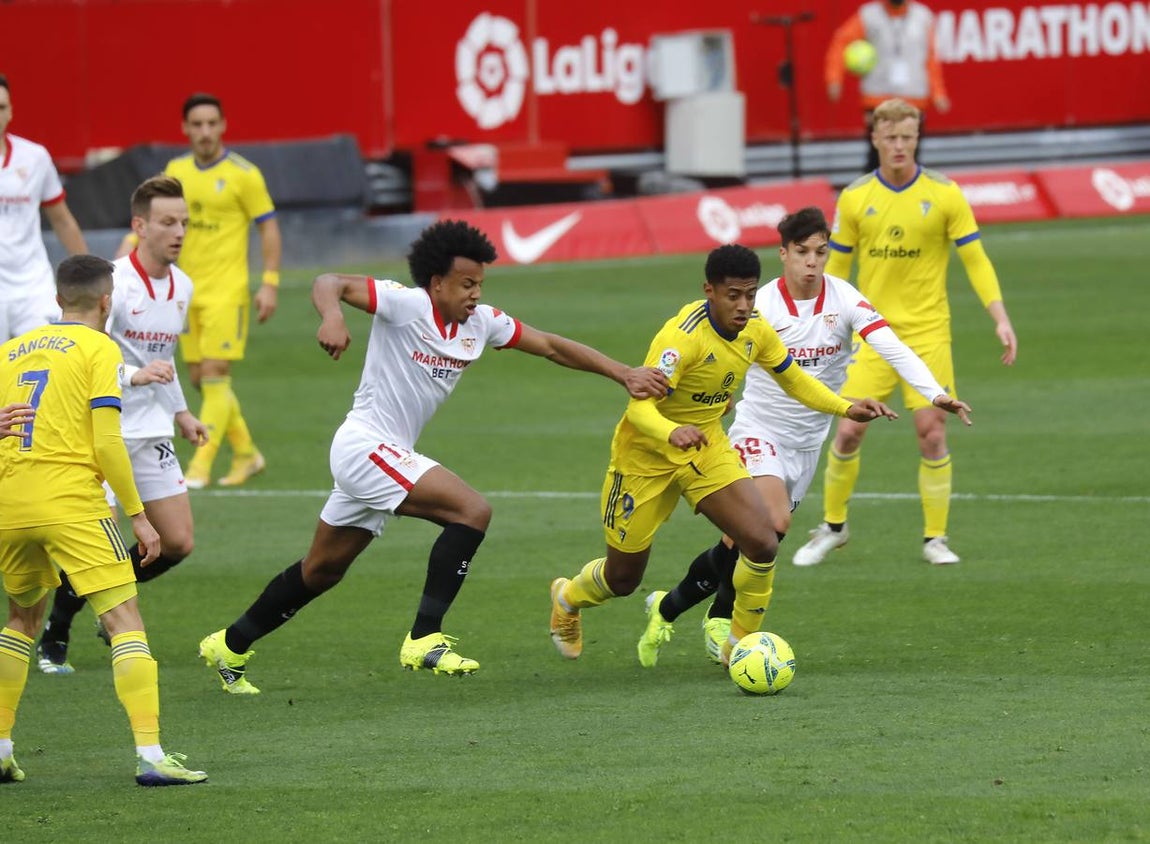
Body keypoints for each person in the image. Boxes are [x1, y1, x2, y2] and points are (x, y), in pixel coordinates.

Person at [197, 219, 668, 694]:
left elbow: (550, 346)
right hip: (365, 445)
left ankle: (229, 644)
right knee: (472, 510)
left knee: (321, 570)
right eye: (467, 284)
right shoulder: (404, 305)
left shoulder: (481, 323)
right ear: (437, 282)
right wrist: (333, 317)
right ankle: (424, 637)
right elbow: (329, 283)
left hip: (387, 453)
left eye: (480, 284)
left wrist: (623, 372)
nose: (475, 294)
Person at [636, 207, 972, 667]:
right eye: (802, 252)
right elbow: (721, 353)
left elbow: (890, 345)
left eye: (821, 251)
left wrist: (935, 394)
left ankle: (669, 607)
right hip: (759, 431)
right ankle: (735, 640)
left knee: (744, 542)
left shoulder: (846, 299)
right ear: (784, 254)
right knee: (773, 525)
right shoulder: (762, 305)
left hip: (808, 443)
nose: (813, 262)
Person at [548, 243, 898, 668]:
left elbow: (795, 380)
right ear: (709, 290)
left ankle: (741, 647)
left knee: (762, 541)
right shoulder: (681, 339)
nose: (744, 305)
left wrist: (846, 406)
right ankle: (567, 597)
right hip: (644, 458)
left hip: (704, 448)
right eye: (733, 295)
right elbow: (639, 408)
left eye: (750, 294)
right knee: (623, 579)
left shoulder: (755, 329)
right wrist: (672, 430)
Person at [0, 254, 206, 786]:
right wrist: (138, 517)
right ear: (108, 302)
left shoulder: (11, 351)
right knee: (123, 619)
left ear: (56, 299)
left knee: (21, 618)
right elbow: (108, 439)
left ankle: (1, 748)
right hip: (73, 503)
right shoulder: (100, 347)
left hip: (12, 503)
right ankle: (152, 754)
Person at [793, 98, 1017, 569]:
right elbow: (836, 267)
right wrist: (817, 321)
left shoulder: (945, 194)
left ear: (918, 138)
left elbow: (975, 258)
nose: (899, 146)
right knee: (850, 429)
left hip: (928, 331)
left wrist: (999, 316)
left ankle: (935, 538)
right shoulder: (855, 198)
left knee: (931, 431)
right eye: (890, 137)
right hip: (871, 332)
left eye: (908, 137)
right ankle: (833, 527)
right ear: (875, 139)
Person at [36, 175, 208, 675]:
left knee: (177, 542)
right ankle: (56, 632)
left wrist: (180, 411)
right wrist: (134, 376)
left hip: (152, 428)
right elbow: (77, 354)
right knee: (97, 546)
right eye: (168, 222)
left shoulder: (184, 285)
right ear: (140, 226)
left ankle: (101, 605)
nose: (178, 232)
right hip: (101, 427)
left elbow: (163, 357)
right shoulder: (111, 283)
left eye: (184, 223)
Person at [117, 92, 281, 489]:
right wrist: (129, 245)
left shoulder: (244, 174)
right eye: (197, 124)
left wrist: (270, 283)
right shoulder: (176, 171)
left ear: (223, 125)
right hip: (181, 292)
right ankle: (246, 454)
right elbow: (155, 218)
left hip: (227, 290)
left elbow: (268, 227)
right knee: (195, 377)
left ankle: (199, 467)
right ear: (185, 129)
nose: (205, 132)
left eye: (212, 123)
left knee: (215, 375)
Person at [0, 73, 88, 341]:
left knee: (46, 361)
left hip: (32, 286)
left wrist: (90, 273)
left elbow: (61, 220)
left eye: (1, 107)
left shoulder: (35, 157)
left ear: (12, 110)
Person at [824, 0, 950, 172]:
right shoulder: (868, 15)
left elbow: (931, 58)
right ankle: (870, 197)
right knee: (878, 156)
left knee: (910, 157)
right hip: (878, 98)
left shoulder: (923, 16)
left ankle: (906, 196)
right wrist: (834, 79)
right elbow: (841, 42)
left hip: (913, 98)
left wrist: (938, 93)